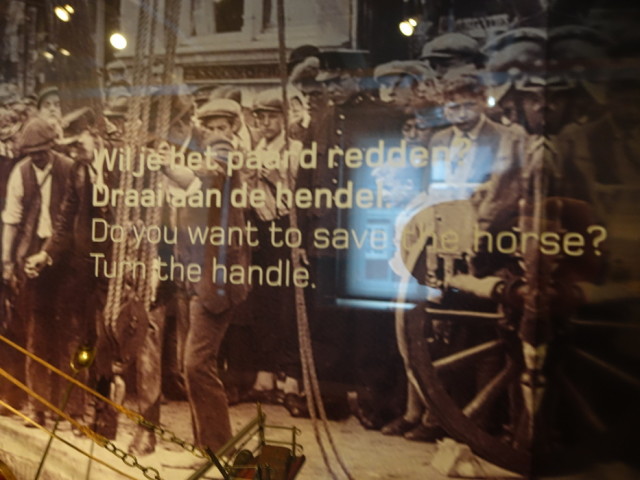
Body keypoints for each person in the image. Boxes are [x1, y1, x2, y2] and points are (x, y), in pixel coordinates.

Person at [2, 116, 74, 427]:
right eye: (32, 154)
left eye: (42, 153)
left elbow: (73, 220)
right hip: (31, 258)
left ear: (52, 148)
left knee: (65, 333)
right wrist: (7, 261)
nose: (38, 159)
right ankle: (38, 407)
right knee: (35, 334)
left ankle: (65, 407)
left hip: (64, 259)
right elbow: (12, 219)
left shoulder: (69, 169)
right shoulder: (21, 173)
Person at [244, 88, 305, 414]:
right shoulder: (256, 149)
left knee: (288, 305)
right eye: (260, 118)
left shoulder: (295, 150)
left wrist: (276, 179)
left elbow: (301, 195)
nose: (265, 123)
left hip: (286, 228)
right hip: (260, 230)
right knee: (263, 302)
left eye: (271, 117)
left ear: (283, 118)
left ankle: (291, 379)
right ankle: (264, 376)